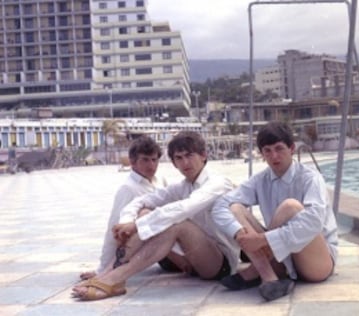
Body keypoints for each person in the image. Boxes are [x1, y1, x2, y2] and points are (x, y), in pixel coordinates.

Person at [72, 131, 239, 300]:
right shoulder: (183, 186)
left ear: (203, 155)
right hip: (191, 258)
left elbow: (185, 207)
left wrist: (136, 226)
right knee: (146, 212)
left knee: (177, 223)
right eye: (179, 158)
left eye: (189, 155)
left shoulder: (218, 182)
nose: (185, 163)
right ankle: (108, 273)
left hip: (220, 263)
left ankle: (115, 278)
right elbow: (143, 201)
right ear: (174, 163)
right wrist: (127, 221)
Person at [212, 121, 338, 301]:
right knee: (235, 208)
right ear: (262, 154)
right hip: (282, 260)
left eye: (279, 148)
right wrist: (239, 234)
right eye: (267, 151)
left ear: (292, 148)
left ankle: (254, 270)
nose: (274, 156)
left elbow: (314, 222)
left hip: (317, 262)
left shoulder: (310, 178)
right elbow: (220, 205)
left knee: (291, 207)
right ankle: (269, 278)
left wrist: (262, 240)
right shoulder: (260, 180)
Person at [79, 135, 184, 280]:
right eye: (145, 160)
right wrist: (102, 269)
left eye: (154, 160)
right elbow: (114, 229)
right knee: (145, 214)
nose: (151, 165)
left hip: (172, 242)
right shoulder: (128, 189)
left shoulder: (160, 180)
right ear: (133, 162)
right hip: (162, 251)